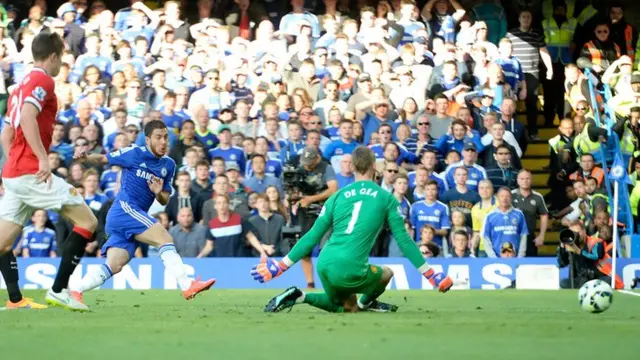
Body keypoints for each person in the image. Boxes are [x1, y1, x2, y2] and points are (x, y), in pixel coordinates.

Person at [250, 146, 452, 313]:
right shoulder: (385, 198)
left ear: (353, 167)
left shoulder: (336, 196)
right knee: (387, 273)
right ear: (374, 166)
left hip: (325, 264)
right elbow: (404, 240)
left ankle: (300, 296)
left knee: (346, 306)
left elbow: (312, 236)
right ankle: (367, 304)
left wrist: (280, 267)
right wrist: (431, 274)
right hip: (350, 267)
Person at [0, 32, 98, 311]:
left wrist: (14, 164)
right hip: (31, 172)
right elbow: (29, 117)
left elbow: (6, 134)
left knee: (2, 243)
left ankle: (16, 300)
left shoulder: (19, 87)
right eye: (62, 57)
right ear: (53, 56)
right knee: (87, 222)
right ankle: (58, 290)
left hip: (16, 173)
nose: (62, 63)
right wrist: (42, 159)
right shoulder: (43, 80)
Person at [70, 120, 215, 307]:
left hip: (130, 217)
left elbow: (164, 199)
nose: (163, 142)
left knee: (115, 264)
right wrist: (86, 156)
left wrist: (157, 191)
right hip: (124, 209)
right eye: (158, 137)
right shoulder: (134, 153)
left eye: (165, 138)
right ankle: (187, 285)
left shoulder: (169, 165)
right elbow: (104, 158)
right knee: (165, 238)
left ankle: (75, 290)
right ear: (147, 139)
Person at [482, 187, 528, 258]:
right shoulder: (490, 216)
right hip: (496, 258)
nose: (504, 198)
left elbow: (523, 236)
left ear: (511, 198)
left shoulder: (519, 214)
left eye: (507, 196)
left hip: (516, 258)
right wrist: (493, 258)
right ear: (497, 198)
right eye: (502, 196)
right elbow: (486, 238)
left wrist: (520, 257)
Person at [512, 170, 549, 257]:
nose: (525, 181)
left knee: (530, 265)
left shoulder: (538, 197)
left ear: (531, 180)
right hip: (512, 235)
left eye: (527, 178)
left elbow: (544, 215)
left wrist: (541, 235)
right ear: (517, 180)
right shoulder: (510, 195)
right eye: (522, 178)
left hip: (529, 236)